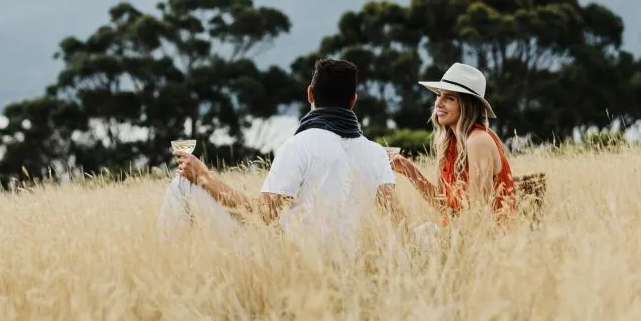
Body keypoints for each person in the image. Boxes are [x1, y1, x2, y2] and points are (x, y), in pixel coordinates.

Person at [157, 57, 406, 248]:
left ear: (310, 93)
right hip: (349, 257)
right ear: (353, 101)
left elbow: (264, 215)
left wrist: (203, 176)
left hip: (289, 258)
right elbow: (396, 222)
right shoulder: (376, 153)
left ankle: (165, 265)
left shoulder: (299, 145)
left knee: (183, 184)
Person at [388, 62, 515, 225]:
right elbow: (444, 206)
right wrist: (408, 169)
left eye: (449, 98)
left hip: (488, 242)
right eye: (439, 95)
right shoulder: (448, 143)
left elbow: (479, 215)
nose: (438, 103)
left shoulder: (478, 141)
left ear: (467, 106)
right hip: (455, 235)